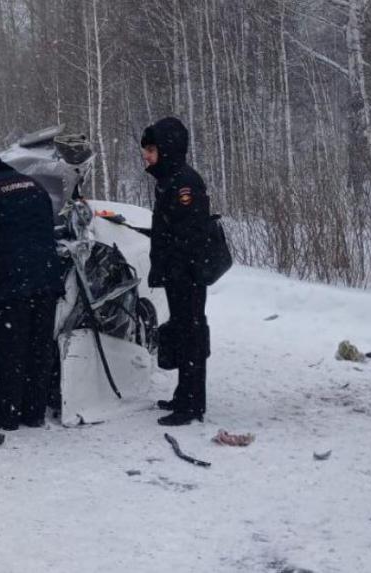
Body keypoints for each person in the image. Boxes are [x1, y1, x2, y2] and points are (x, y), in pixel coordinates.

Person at [0, 149, 64, 431]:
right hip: (46, 280)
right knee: (39, 349)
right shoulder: (34, 186)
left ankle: (8, 415)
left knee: (11, 351)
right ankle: (34, 412)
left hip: (11, 283)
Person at [140, 117, 213, 426]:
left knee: (191, 333)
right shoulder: (169, 180)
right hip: (178, 273)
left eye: (151, 149)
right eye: (145, 150)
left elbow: (188, 234)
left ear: (167, 149)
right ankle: (184, 395)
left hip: (188, 275)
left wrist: (175, 265)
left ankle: (192, 405)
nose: (146, 156)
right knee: (183, 331)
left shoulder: (184, 183)